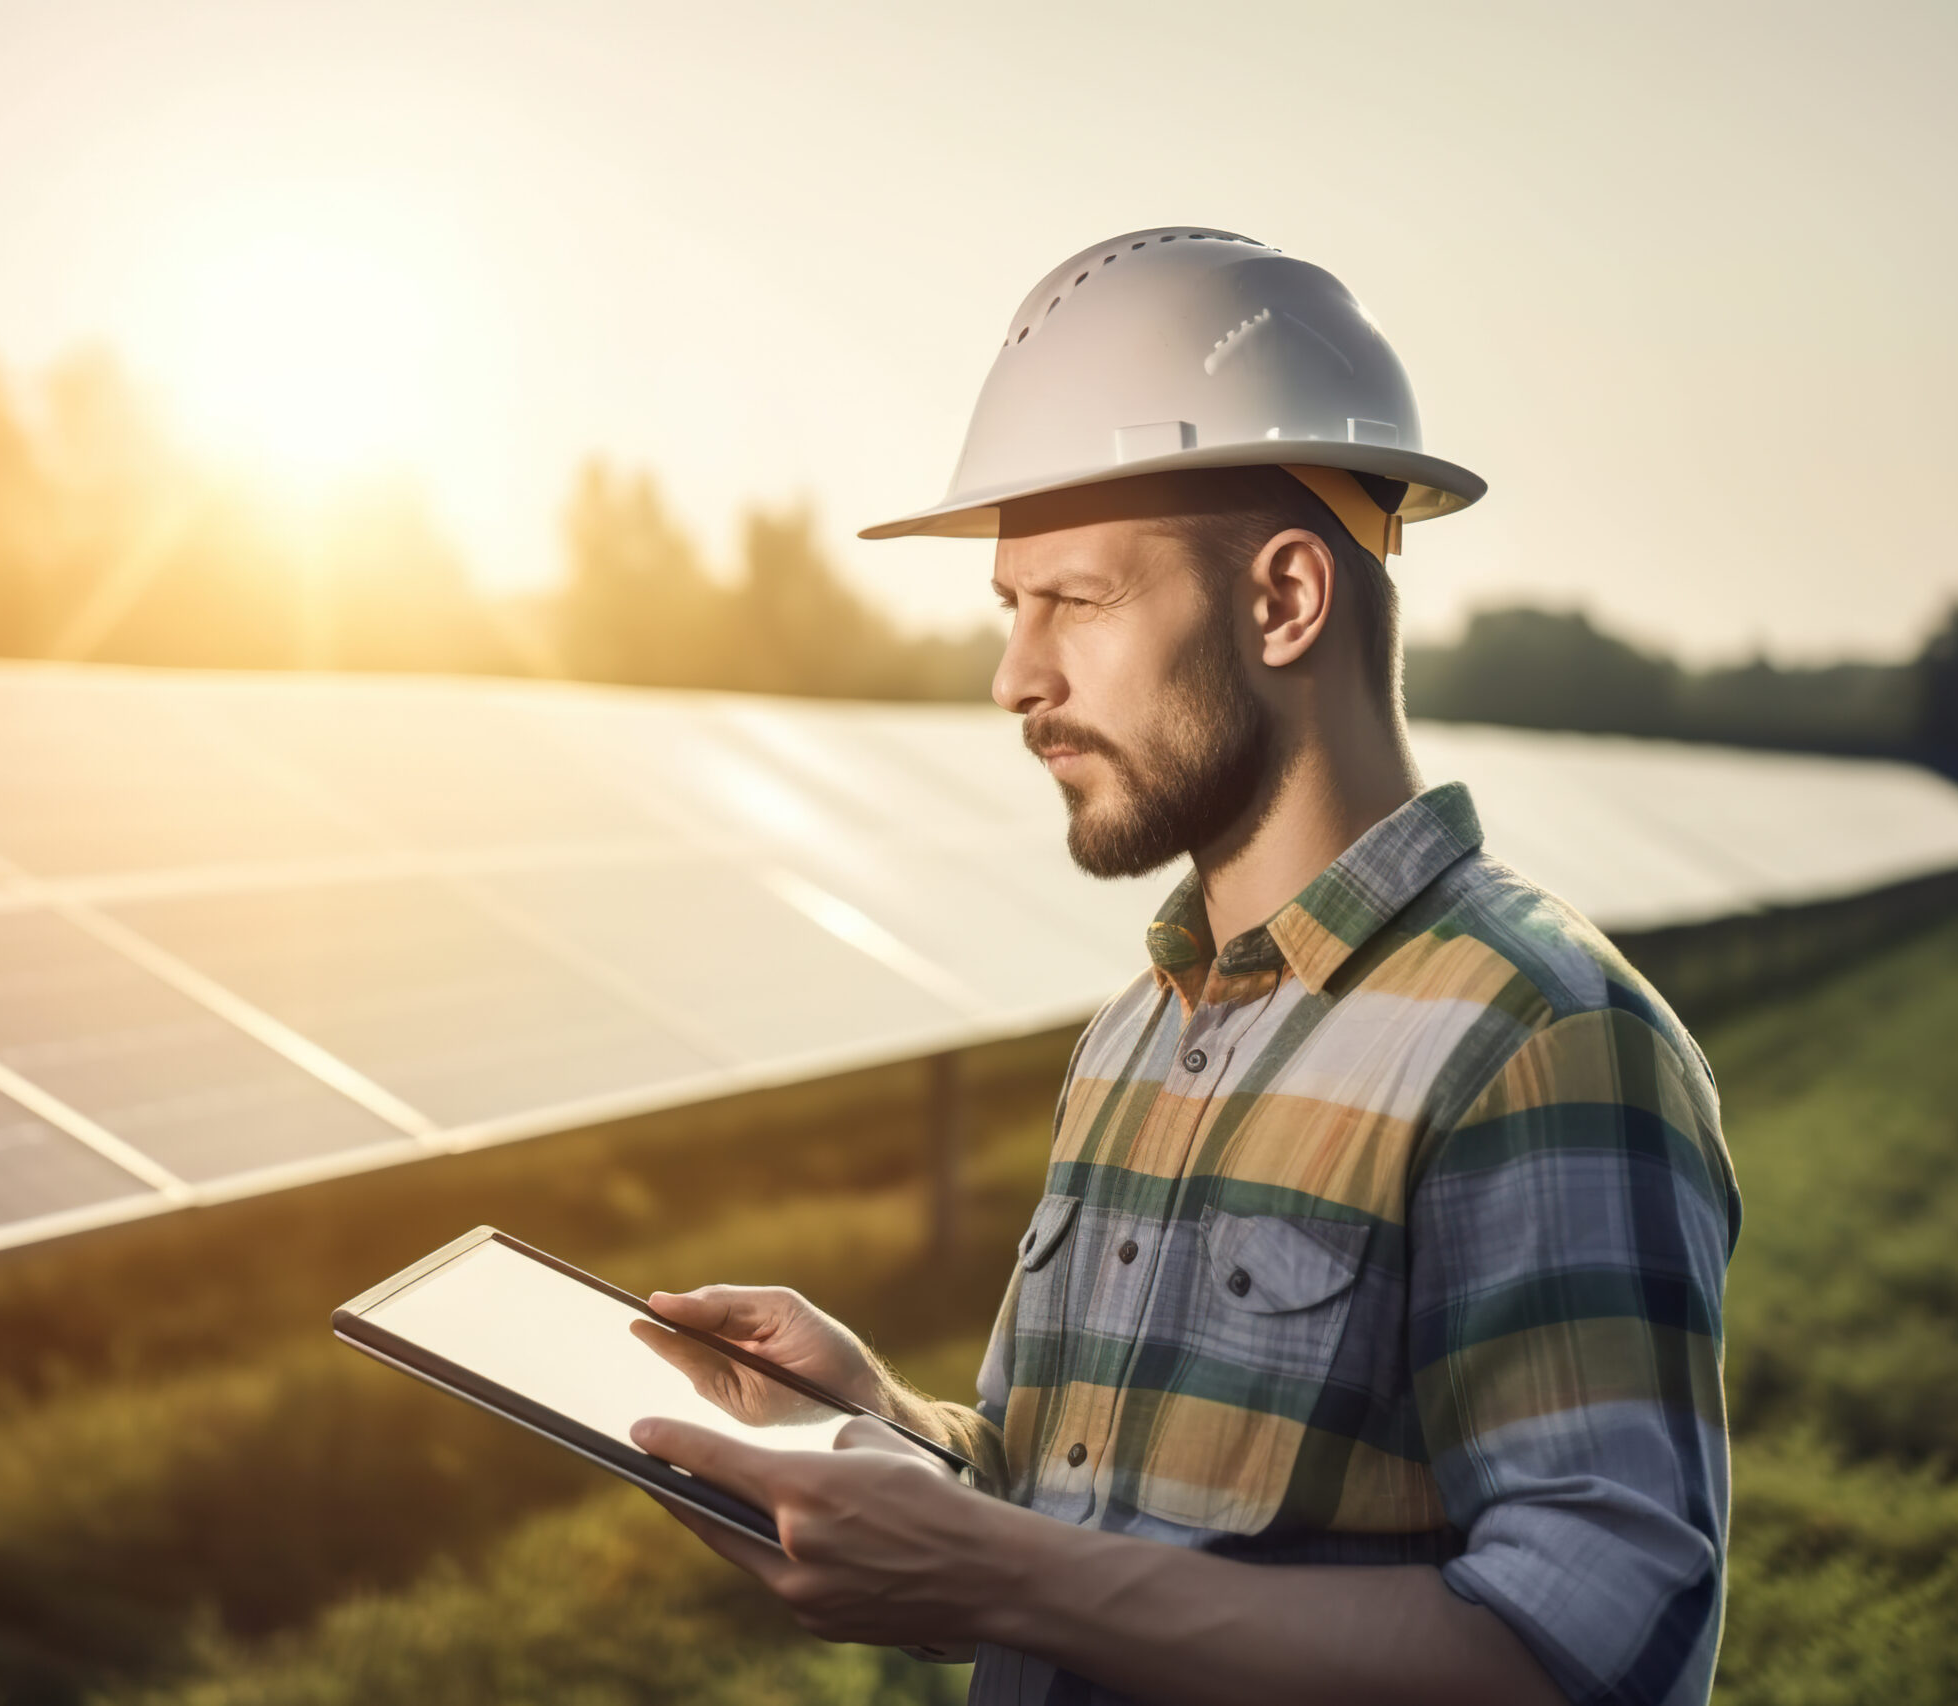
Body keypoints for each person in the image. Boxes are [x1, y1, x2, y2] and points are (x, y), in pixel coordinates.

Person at [628, 229, 1738, 1706]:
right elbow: (1067, 1507)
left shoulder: (1539, 1033)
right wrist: (872, 1418)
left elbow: (1590, 1656)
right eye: (1009, 610)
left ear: (1285, 601)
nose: (1016, 678)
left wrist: (1002, 1574)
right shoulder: (1138, 1035)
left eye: (1072, 602)